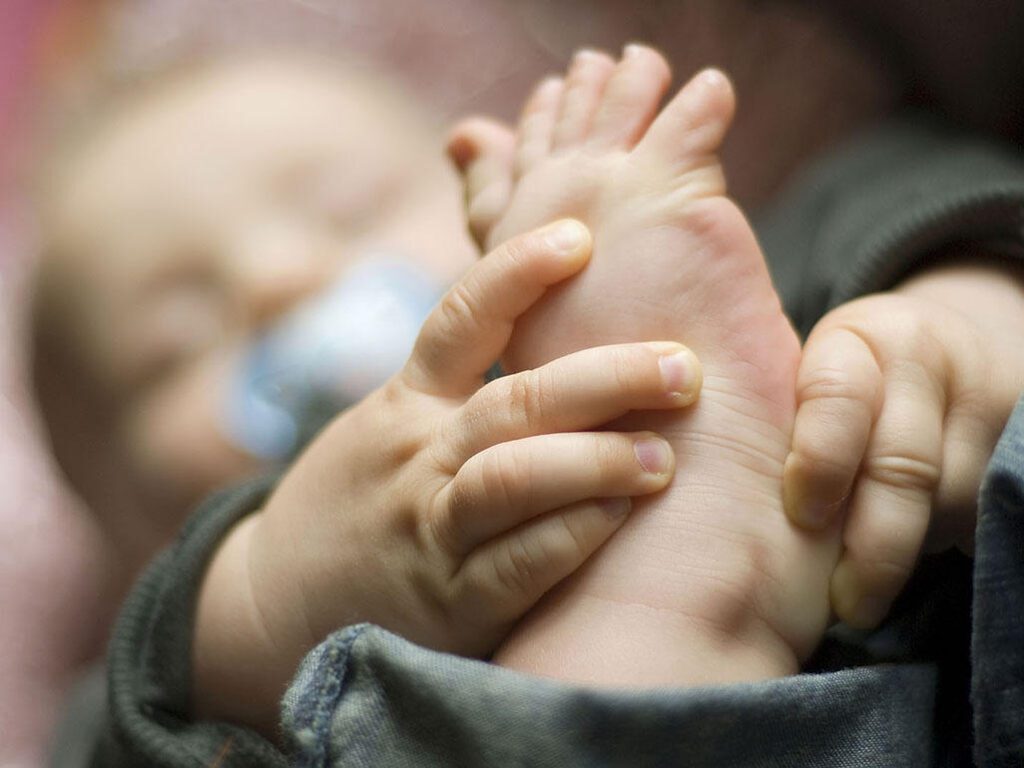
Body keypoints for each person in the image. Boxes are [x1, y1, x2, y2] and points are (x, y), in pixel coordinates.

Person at [69, 44, 1024, 767]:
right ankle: (670, 593)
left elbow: (918, 187)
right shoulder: (167, 669)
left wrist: (954, 320)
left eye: (350, 208)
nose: (278, 279)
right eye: (171, 346)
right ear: (120, 532)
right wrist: (261, 604)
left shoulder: (728, 259)